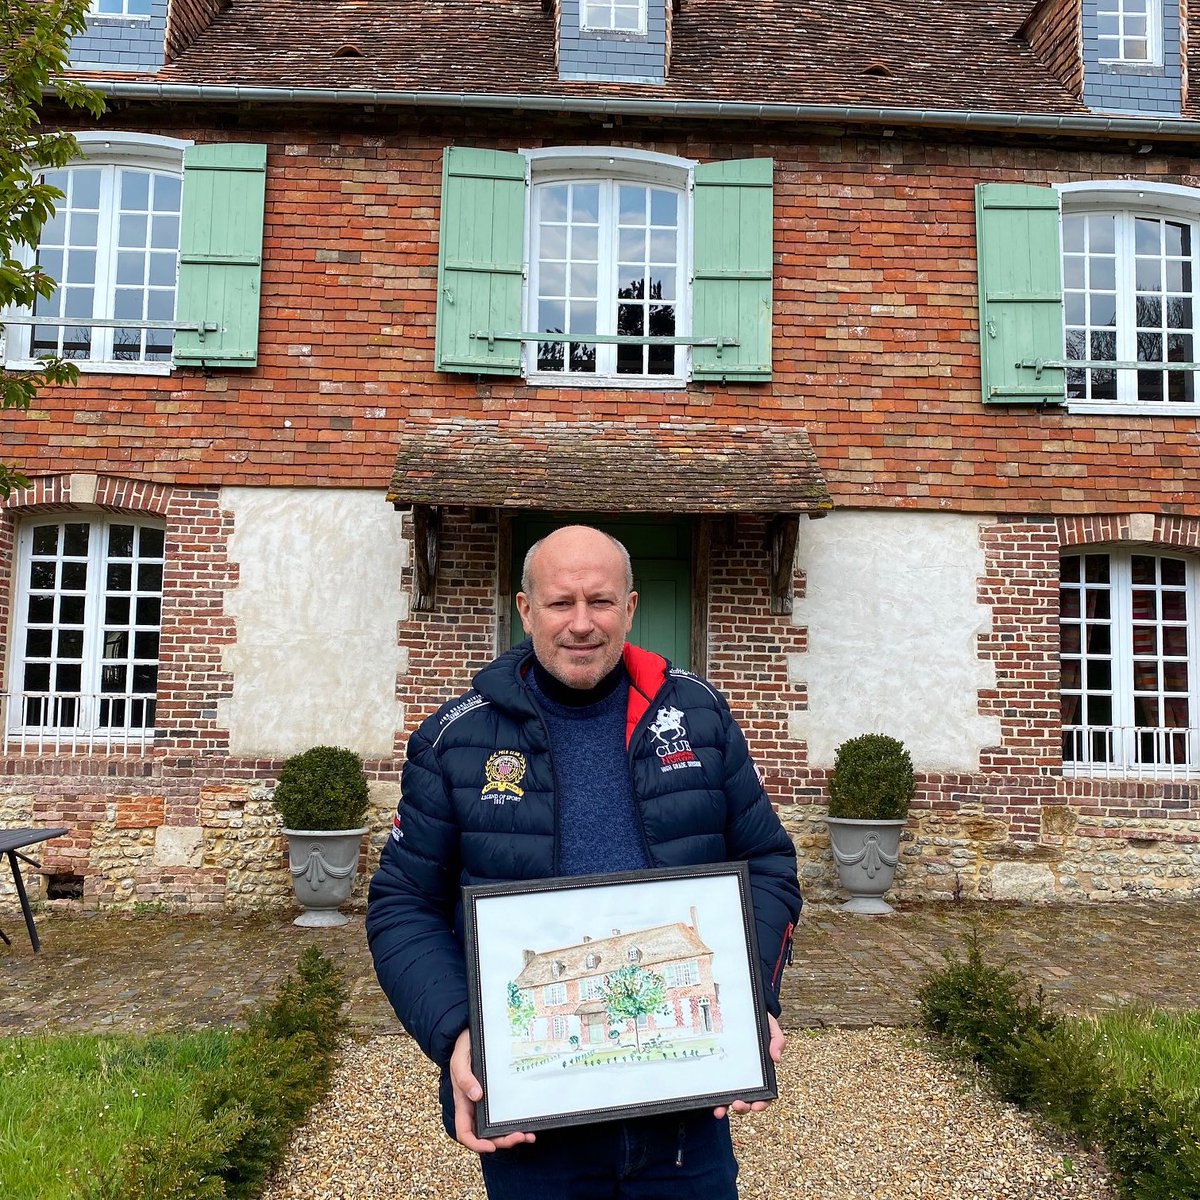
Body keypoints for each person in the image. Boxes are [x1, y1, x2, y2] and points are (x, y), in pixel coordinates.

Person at [367, 524, 801, 1199]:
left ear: (630, 608)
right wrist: (457, 1031)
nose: (580, 624)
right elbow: (402, 906)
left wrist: (752, 998)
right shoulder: (454, 740)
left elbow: (768, 863)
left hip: (684, 1120)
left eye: (599, 602)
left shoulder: (700, 718)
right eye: (560, 603)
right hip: (535, 1124)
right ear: (525, 610)